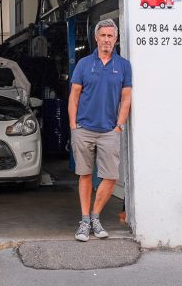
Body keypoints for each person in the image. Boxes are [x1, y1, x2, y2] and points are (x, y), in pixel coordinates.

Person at [68, 18, 132, 241]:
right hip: (84, 129)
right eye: (103, 35)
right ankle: (85, 221)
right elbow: (74, 96)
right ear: (96, 38)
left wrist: (119, 126)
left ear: (116, 39)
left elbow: (126, 98)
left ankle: (95, 217)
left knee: (110, 176)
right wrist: (73, 126)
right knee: (85, 175)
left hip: (109, 131)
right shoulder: (84, 64)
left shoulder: (123, 65)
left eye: (110, 36)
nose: (106, 39)